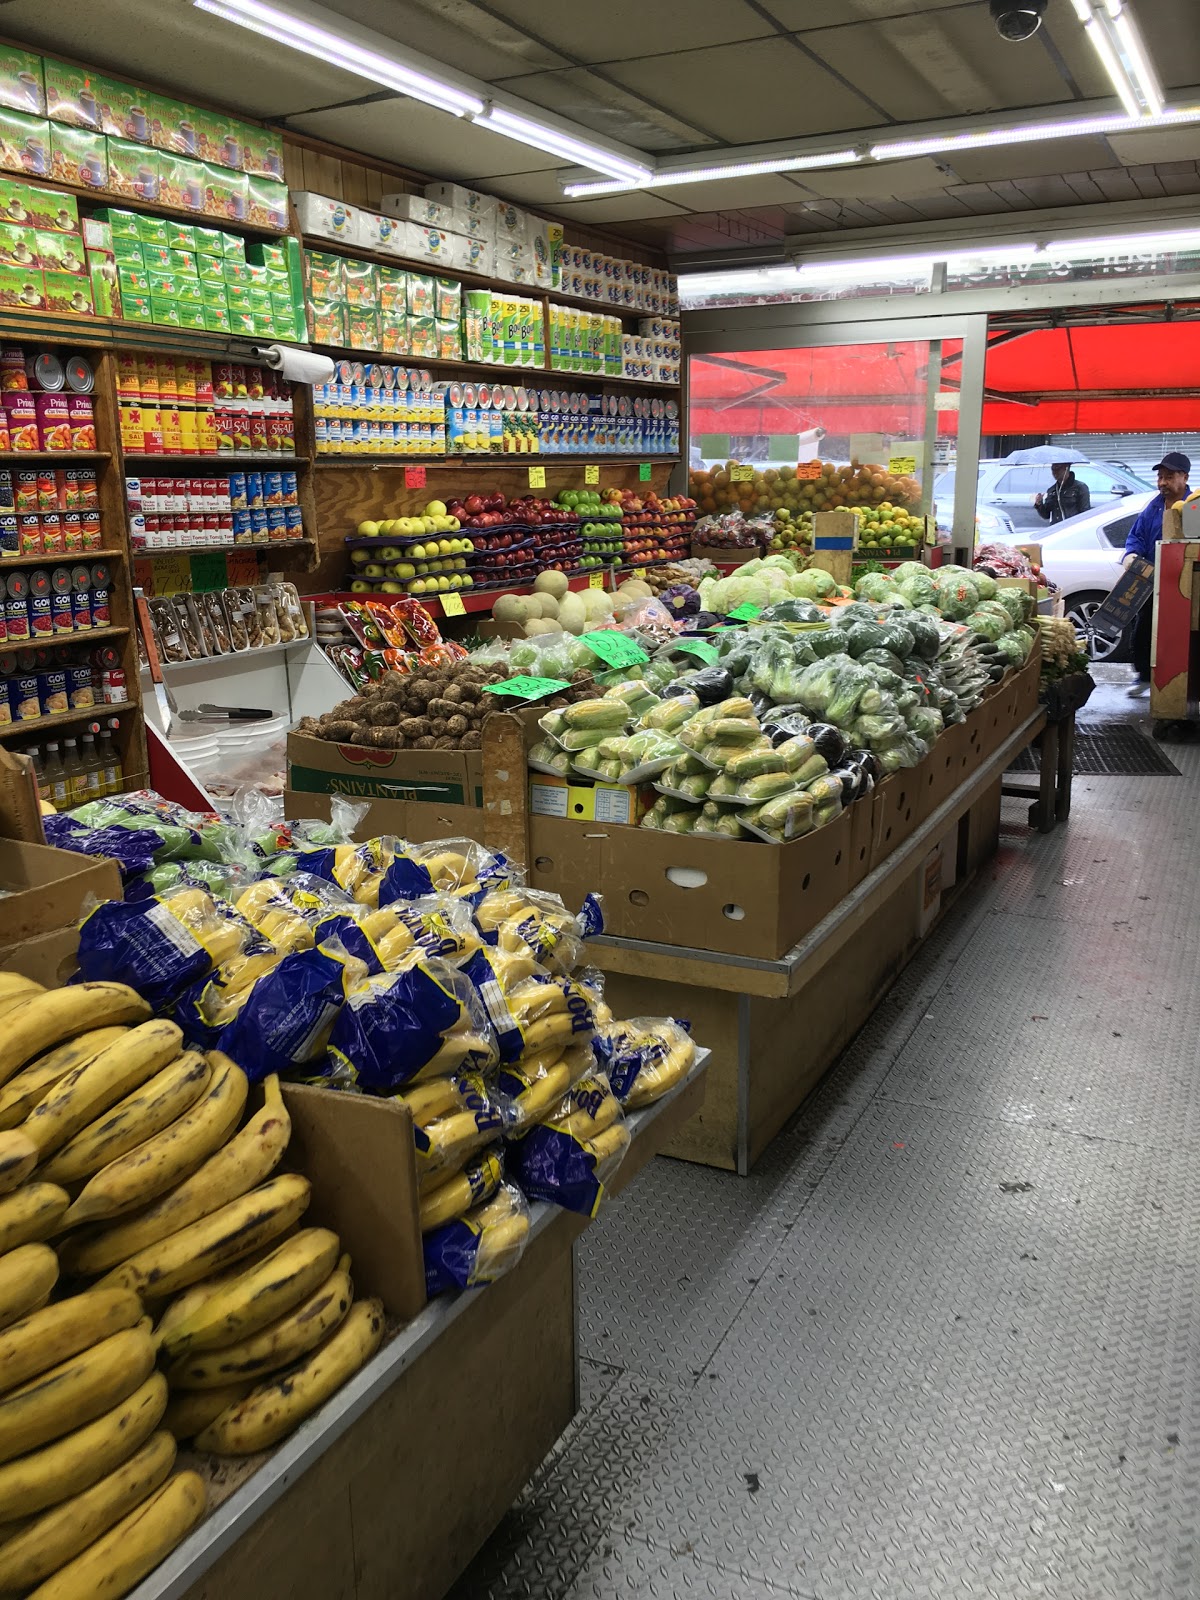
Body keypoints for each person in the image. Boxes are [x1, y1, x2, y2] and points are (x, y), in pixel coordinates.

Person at [1122, 451, 1191, 693]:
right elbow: (1136, 537)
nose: (1162, 482)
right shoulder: (1153, 506)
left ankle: (1181, 684)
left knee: (1181, 634)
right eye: (1160, 477)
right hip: (1152, 580)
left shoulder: (1195, 507)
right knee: (1143, 629)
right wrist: (1130, 555)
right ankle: (1143, 677)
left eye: (1169, 477)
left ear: (1184, 477)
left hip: (1185, 585)